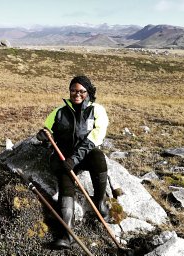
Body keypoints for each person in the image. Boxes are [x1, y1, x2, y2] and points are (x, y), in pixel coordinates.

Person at [36, 75, 109, 249]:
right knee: (65, 185)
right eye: (73, 90)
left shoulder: (97, 110)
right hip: (63, 157)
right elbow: (47, 131)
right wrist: (44, 136)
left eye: (82, 91)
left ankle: (99, 203)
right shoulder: (59, 112)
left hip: (85, 155)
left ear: (88, 92)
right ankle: (67, 234)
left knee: (98, 156)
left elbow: (95, 138)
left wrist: (74, 159)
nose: (77, 94)